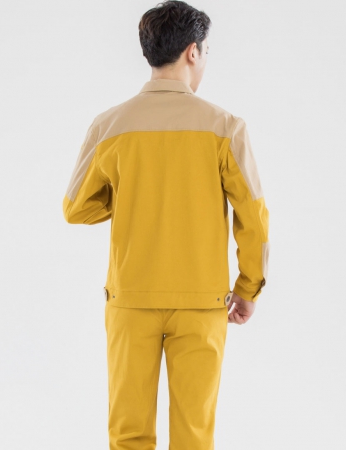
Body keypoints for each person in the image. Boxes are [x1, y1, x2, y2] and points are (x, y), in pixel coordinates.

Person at [62, 1, 270, 448]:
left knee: (128, 434)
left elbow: (76, 208)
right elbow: (253, 215)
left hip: (130, 299)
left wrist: (134, 193)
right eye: (207, 50)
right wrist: (248, 287)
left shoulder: (109, 126)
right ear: (193, 51)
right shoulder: (225, 127)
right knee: (194, 434)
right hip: (202, 302)